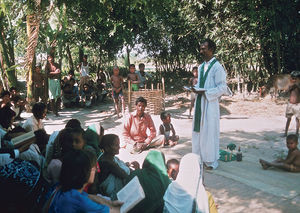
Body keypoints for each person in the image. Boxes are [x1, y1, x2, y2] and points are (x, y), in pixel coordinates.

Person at [191, 39, 228, 170]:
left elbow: (223, 87)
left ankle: (211, 161)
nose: (201, 51)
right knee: (198, 131)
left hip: (210, 104)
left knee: (209, 131)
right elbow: (200, 84)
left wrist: (207, 92)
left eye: (204, 49)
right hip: (200, 103)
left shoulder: (217, 67)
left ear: (211, 49)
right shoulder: (200, 67)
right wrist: (195, 88)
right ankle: (197, 158)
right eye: (200, 49)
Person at [47, 149, 121, 213]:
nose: (96, 170)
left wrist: (110, 203)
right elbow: (115, 212)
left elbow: (89, 196)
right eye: (94, 167)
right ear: (84, 172)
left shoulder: (61, 188)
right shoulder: (78, 201)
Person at [97, 134, 139, 199]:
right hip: (112, 195)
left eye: (118, 145)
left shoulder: (107, 157)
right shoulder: (107, 162)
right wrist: (137, 169)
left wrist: (127, 164)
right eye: (116, 145)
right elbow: (125, 176)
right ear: (107, 148)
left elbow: (119, 165)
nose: (119, 147)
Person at [283, 71, 300, 136]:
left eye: (296, 78)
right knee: (288, 119)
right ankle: (285, 133)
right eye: (293, 78)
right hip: (290, 104)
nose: (294, 80)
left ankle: (297, 133)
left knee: (298, 119)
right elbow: (287, 92)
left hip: (298, 104)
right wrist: (291, 86)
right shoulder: (291, 85)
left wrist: (297, 86)